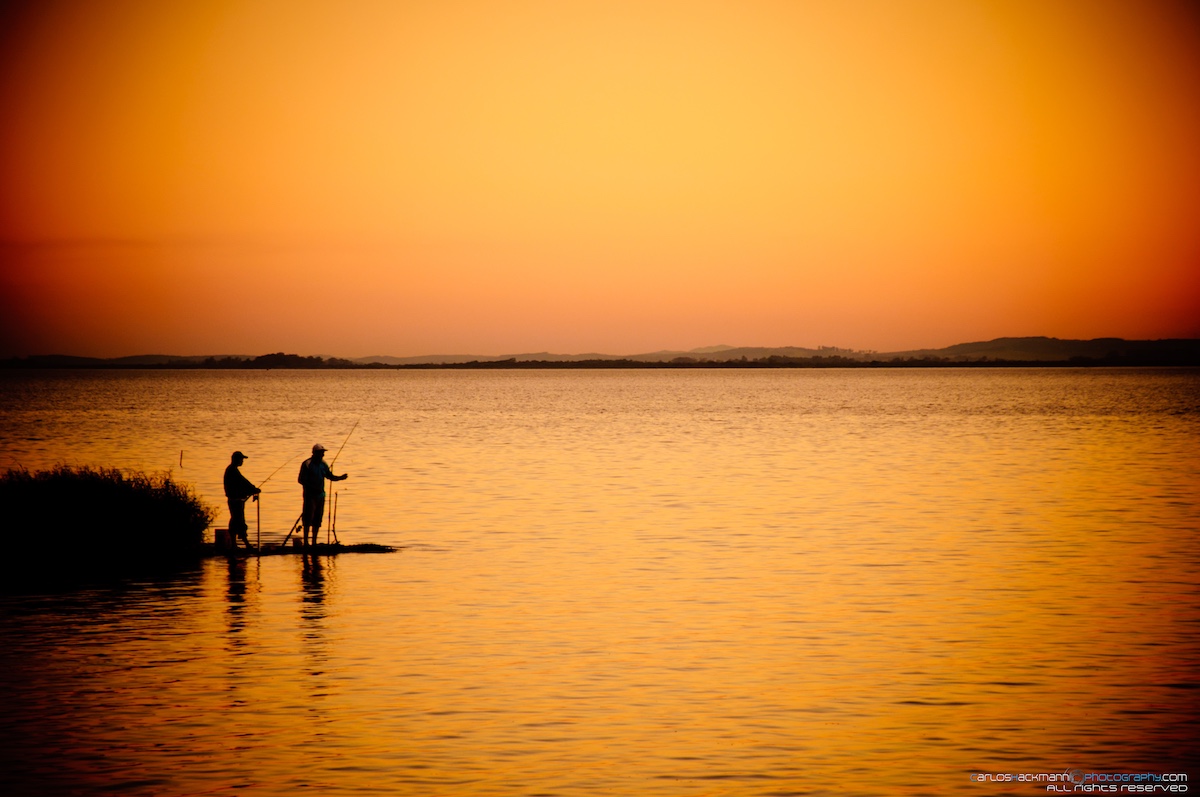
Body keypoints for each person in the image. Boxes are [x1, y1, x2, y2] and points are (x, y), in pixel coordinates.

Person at [298, 443, 348, 547]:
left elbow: (330, 476)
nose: (323, 455)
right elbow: (301, 480)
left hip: (320, 496)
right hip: (310, 496)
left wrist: (340, 478)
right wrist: (311, 487)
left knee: (317, 518)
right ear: (315, 453)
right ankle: (306, 542)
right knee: (308, 518)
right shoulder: (307, 464)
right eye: (321, 453)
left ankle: (314, 542)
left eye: (323, 453)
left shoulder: (323, 464)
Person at [223, 451, 261, 550]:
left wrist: (252, 489)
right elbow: (243, 482)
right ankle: (244, 545)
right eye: (241, 459)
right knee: (239, 521)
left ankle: (234, 545)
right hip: (235, 500)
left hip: (236, 500)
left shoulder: (232, 470)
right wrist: (253, 489)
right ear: (236, 459)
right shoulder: (232, 471)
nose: (242, 461)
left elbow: (243, 482)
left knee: (235, 521)